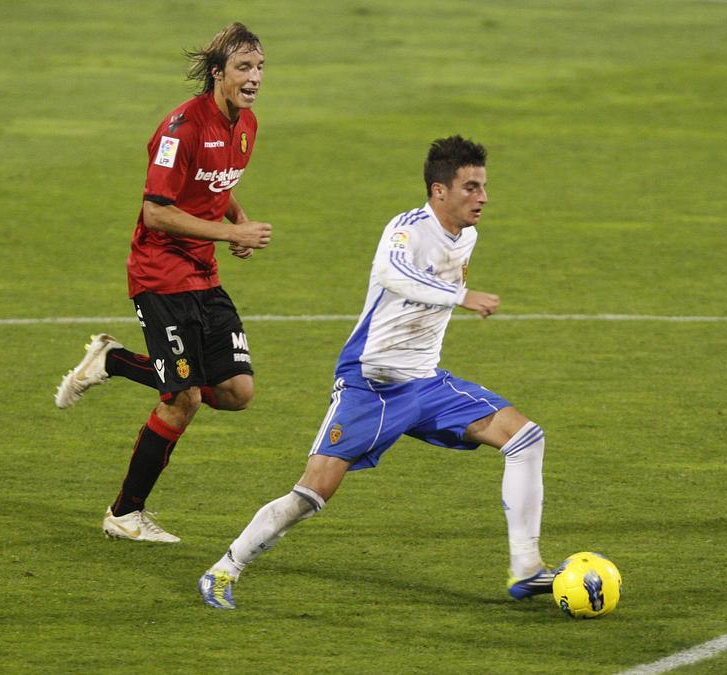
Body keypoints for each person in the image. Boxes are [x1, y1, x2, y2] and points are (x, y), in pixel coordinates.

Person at [197, 136, 553, 609]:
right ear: (438, 190)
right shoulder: (405, 230)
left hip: (426, 383)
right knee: (311, 494)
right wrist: (459, 297)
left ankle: (526, 568)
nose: (483, 197)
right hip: (372, 384)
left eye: (484, 186)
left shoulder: (467, 236)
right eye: (471, 187)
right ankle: (224, 569)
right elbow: (393, 274)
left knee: (526, 438)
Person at [53, 22, 271, 543]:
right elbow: (155, 213)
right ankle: (125, 513)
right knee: (184, 398)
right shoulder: (181, 128)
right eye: (244, 67)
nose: (255, 77)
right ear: (218, 73)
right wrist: (225, 231)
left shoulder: (246, 125)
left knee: (238, 391)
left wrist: (235, 223)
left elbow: (217, 185)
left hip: (203, 274)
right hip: (160, 274)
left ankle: (112, 361)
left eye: (260, 67)